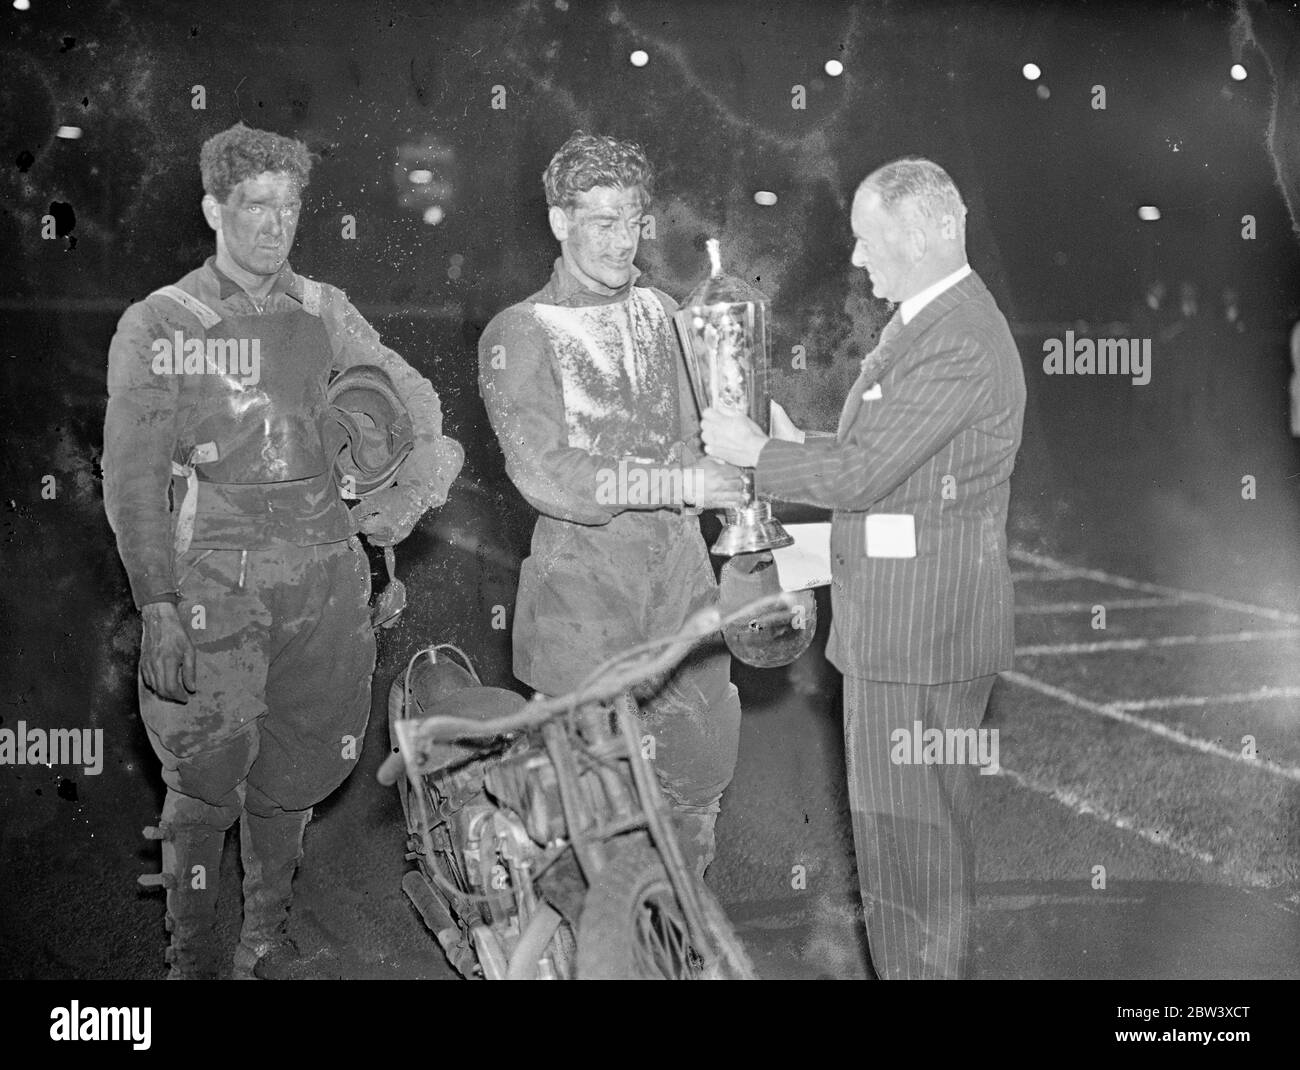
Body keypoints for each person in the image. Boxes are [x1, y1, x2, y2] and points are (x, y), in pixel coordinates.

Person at [102, 122, 464, 979]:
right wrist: (156, 602)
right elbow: (133, 479)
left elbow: (408, 403)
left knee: (296, 772)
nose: (275, 223)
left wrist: (403, 490)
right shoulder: (163, 321)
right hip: (214, 584)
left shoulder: (324, 308)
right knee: (203, 779)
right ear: (213, 209)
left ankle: (261, 943)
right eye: (255, 205)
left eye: (290, 205)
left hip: (325, 581)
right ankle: (190, 959)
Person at [701, 157, 1026, 979]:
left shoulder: (953, 337)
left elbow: (861, 477)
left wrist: (756, 455)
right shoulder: (932, 320)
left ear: (926, 232)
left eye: (868, 238)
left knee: (910, 864)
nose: (855, 257)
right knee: (909, 858)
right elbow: (884, 459)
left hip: (919, 641)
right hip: (909, 630)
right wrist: (793, 444)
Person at [478, 131, 745, 881]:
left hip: (685, 595)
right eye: (601, 221)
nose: (622, 240)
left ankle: (678, 944)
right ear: (560, 221)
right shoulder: (522, 332)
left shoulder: (665, 312)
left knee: (697, 789)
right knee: (586, 825)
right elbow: (550, 476)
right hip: (585, 608)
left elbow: (709, 431)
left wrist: (750, 460)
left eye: (632, 220)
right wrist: (679, 484)